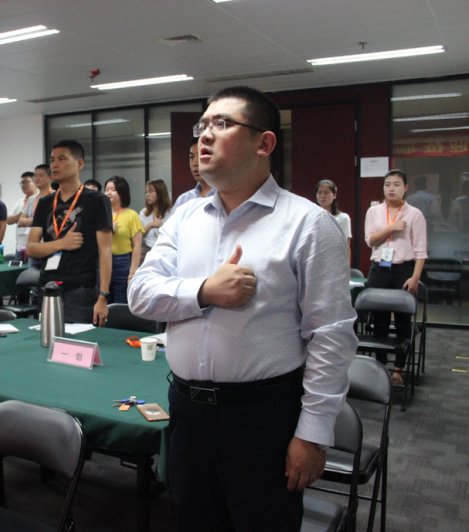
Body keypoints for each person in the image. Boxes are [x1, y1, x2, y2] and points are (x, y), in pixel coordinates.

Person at [128, 86, 357, 531]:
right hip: (187, 411)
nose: (204, 136)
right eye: (202, 126)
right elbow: (140, 293)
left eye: (222, 124)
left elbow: (331, 335)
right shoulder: (185, 218)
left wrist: (313, 434)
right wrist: (204, 291)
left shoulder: (307, 223)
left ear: (264, 143)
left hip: (262, 419)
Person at [27, 140, 112, 325]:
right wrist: (62, 243)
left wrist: (103, 296)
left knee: (76, 341)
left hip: (80, 290)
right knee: (46, 339)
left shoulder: (97, 200)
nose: (54, 165)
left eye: (62, 159)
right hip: (48, 287)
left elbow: (105, 251)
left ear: (79, 164)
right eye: (52, 160)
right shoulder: (45, 202)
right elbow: (31, 248)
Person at [364, 169, 428, 387]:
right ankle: (381, 366)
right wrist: (391, 228)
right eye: (388, 184)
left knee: (402, 322)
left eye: (397, 184)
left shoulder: (414, 214)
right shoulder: (374, 212)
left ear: (406, 187)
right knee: (379, 321)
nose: (391, 189)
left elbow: (421, 251)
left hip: (403, 270)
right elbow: (370, 241)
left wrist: (415, 277)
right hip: (379, 270)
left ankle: (399, 370)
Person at [104, 176, 143, 303]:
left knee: (121, 301)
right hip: (103, 261)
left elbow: (137, 246)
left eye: (113, 189)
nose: (109, 192)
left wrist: (132, 273)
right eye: (107, 189)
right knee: (103, 299)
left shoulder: (132, 215)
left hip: (123, 262)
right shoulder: (101, 214)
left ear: (122, 192)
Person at [18, 164, 53, 269]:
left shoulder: (56, 197)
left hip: (49, 248)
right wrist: (38, 220)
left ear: (50, 177)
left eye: (41, 175)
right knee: (31, 277)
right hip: (33, 248)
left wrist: (30, 221)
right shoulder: (32, 199)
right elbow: (20, 222)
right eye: (35, 176)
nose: (37, 178)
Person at [173, 136, 215, 210]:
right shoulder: (183, 200)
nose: (195, 163)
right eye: (192, 157)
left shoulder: (227, 197)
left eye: (200, 156)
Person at [316, 179, 352, 263]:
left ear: (334, 195)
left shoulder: (343, 218)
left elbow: (346, 246)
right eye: (319, 193)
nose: (322, 196)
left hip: (336, 260)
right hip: (317, 260)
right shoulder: (312, 217)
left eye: (326, 193)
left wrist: (347, 267)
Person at [139, 179, 173, 265]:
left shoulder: (170, 212)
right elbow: (137, 235)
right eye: (146, 192)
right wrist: (151, 225)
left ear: (160, 192)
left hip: (165, 251)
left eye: (150, 192)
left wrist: (161, 225)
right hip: (147, 250)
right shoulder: (144, 213)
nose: (147, 195)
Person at [6, 172, 37, 260]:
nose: (23, 185)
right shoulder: (20, 202)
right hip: (19, 247)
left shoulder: (40, 200)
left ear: (35, 182)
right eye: (22, 183)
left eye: (26, 182)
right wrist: (22, 214)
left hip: (34, 247)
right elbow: (8, 220)